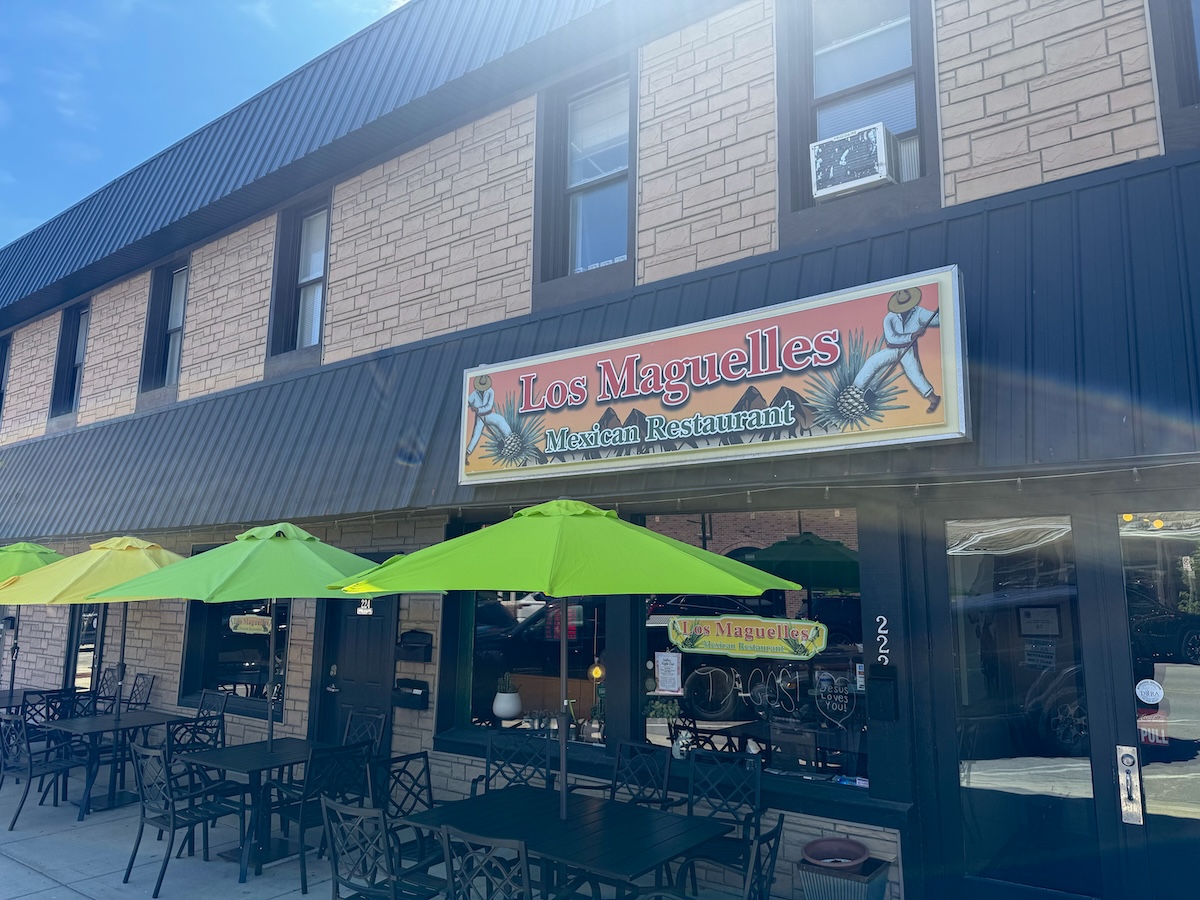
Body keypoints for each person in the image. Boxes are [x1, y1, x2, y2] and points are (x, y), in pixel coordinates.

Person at [852, 287, 942, 413]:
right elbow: (892, 338)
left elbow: (937, 320)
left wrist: (943, 309)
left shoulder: (919, 312)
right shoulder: (889, 318)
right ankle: (854, 390)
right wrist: (912, 335)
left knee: (914, 373)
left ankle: (933, 398)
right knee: (872, 362)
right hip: (893, 349)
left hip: (908, 350)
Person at [465, 374, 512, 463]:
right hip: (480, 417)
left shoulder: (490, 391)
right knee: (476, 435)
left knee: (500, 419)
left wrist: (478, 409)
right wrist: (468, 404)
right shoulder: (475, 394)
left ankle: (510, 439)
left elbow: (489, 407)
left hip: (488, 414)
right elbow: (466, 403)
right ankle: (467, 454)